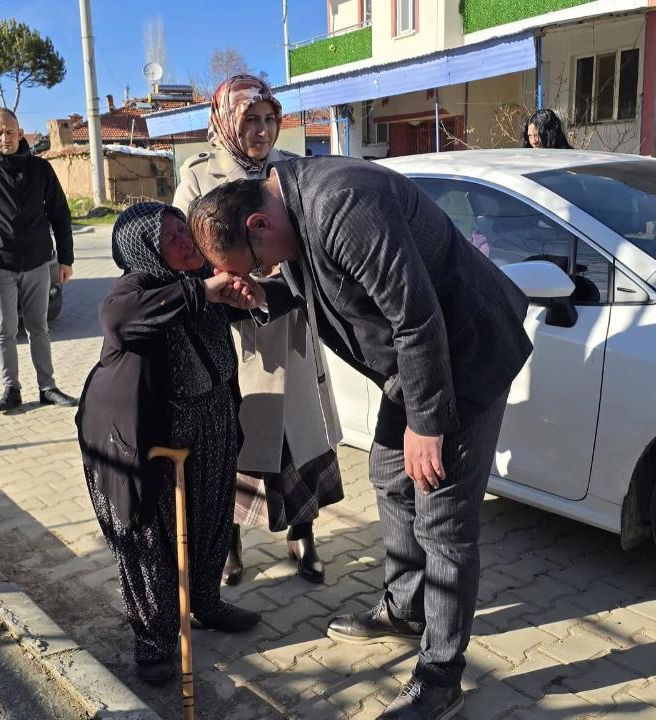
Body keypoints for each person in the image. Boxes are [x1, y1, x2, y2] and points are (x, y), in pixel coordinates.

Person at [188, 156, 534, 720]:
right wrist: (252, 299)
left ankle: (441, 678)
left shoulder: (340, 203)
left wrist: (427, 424)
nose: (257, 275)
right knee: (390, 475)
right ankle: (407, 607)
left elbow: (417, 318)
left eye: (252, 268)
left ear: (257, 225)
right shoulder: (290, 211)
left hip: (465, 354)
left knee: (442, 516)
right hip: (417, 365)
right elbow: (321, 293)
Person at [75, 203, 264, 686]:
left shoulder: (206, 274)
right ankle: (154, 638)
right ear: (144, 248)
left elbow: (246, 306)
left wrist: (243, 297)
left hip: (213, 418)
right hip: (144, 435)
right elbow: (117, 320)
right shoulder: (134, 288)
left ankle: (205, 602)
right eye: (169, 235)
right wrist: (203, 290)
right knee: (152, 538)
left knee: (211, 518)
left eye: (184, 228)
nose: (184, 239)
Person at [173, 74, 342, 586]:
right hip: (230, 330)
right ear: (226, 122)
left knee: (299, 433)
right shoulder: (199, 177)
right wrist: (228, 281)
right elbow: (183, 252)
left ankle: (302, 532)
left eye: (270, 119)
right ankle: (228, 545)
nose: (262, 130)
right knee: (232, 436)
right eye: (250, 119)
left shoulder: (292, 171)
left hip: (290, 321)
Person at [0, 108, 78, 412]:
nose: (4, 138)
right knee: (4, 330)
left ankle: (47, 387)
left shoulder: (40, 170)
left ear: (20, 132)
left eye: (10, 132)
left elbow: (60, 215)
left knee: (39, 326)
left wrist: (65, 259)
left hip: (38, 262)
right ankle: (11, 388)